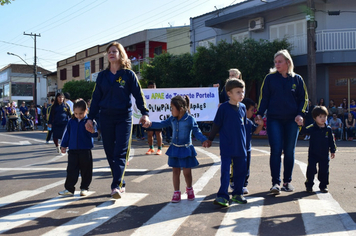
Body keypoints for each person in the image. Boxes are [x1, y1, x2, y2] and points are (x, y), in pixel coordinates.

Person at [85, 41, 150, 199]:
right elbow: (96, 98)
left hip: (123, 118)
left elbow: (138, 95)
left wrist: (144, 113)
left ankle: (116, 186)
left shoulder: (128, 75)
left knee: (120, 152)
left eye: (114, 51)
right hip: (105, 117)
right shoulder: (102, 76)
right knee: (109, 152)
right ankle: (120, 182)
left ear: (121, 54)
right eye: (109, 52)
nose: (111, 53)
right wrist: (90, 118)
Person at [255, 49, 308, 194]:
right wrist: (259, 113)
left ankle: (287, 182)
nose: (277, 64)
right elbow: (264, 98)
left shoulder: (297, 79)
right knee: (276, 150)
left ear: (288, 62)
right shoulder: (269, 79)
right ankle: (275, 183)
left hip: (292, 120)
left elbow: (304, 99)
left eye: (280, 61)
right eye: (275, 62)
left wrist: (300, 114)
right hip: (274, 120)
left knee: (289, 151)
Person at [145, 95, 208, 203]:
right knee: (175, 171)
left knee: (187, 172)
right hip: (174, 149)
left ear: (181, 108)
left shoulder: (190, 119)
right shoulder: (172, 119)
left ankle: (189, 189)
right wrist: (149, 124)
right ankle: (176, 192)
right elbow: (161, 124)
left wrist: (204, 140)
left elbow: (197, 131)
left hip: (186, 149)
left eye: (172, 108)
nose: (171, 110)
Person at [204, 78, 248, 207]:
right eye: (238, 92)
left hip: (241, 146)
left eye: (242, 92)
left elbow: (244, 126)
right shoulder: (223, 108)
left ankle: (237, 194)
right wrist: (210, 139)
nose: (241, 94)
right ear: (229, 93)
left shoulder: (243, 107)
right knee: (225, 171)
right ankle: (222, 196)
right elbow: (216, 125)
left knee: (241, 171)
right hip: (227, 146)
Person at [58, 99, 97, 197]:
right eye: (76, 113)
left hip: (85, 150)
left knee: (86, 170)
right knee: (71, 170)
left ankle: (84, 188)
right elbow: (67, 134)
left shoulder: (89, 121)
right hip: (73, 150)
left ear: (86, 111)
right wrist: (63, 145)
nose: (78, 116)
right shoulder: (71, 121)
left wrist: (93, 131)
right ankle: (69, 188)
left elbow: (95, 133)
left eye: (80, 113)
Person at [230, 98, 264, 194]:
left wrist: (260, 125)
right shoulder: (236, 121)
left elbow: (256, 131)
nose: (253, 113)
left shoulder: (249, 122)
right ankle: (233, 181)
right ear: (244, 109)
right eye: (252, 110)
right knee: (235, 167)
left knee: (246, 168)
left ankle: (244, 184)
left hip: (247, 149)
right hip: (236, 149)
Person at [304, 106, 336, 193]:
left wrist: (333, 150)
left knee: (324, 171)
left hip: (324, 154)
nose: (323, 119)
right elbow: (303, 130)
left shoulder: (328, 129)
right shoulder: (312, 128)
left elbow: (331, 141)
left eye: (324, 116)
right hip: (313, 154)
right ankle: (309, 184)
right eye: (320, 117)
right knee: (311, 170)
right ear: (314, 118)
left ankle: (323, 185)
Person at [145, 81, 163, 155]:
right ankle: (151, 148)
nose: (152, 88)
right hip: (149, 117)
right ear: (148, 87)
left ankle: (159, 149)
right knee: (150, 133)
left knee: (158, 133)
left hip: (158, 117)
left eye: (153, 86)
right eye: (150, 87)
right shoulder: (145, 94)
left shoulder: (159, 94)